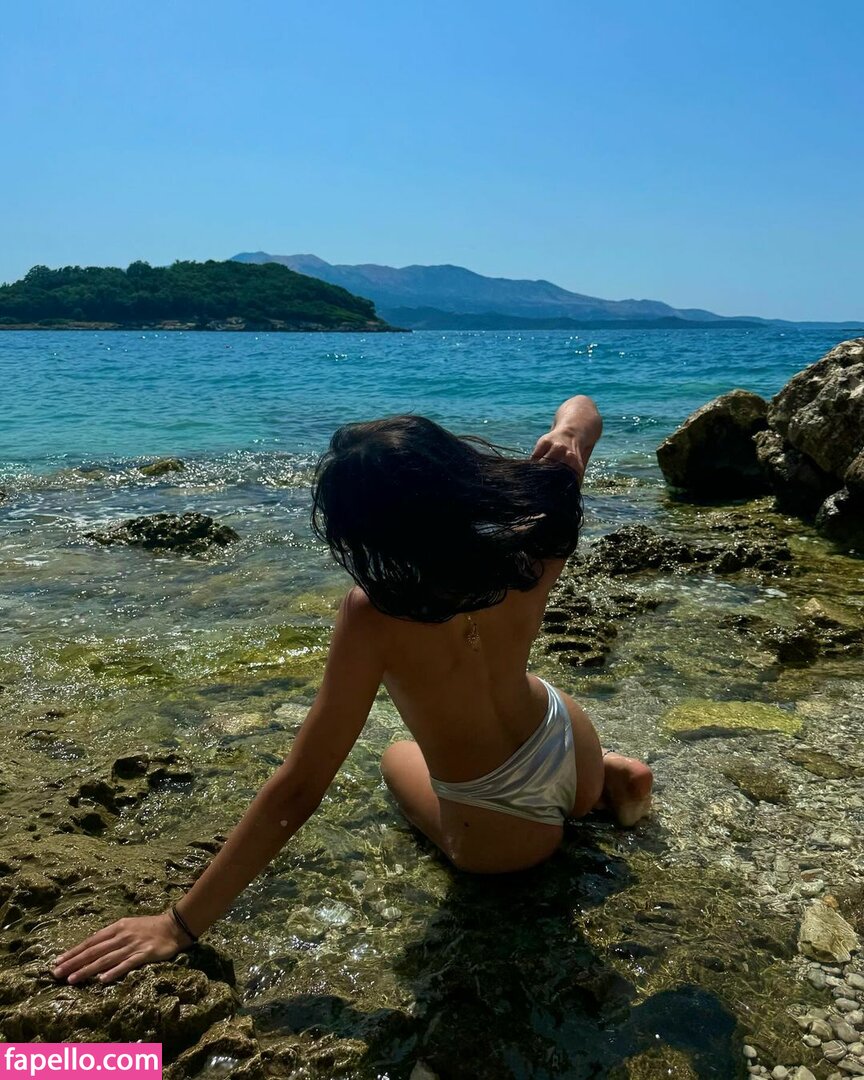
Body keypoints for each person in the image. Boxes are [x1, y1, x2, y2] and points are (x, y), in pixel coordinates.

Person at [52, 395, 652, 986]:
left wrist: (180, 924)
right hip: (566, 738)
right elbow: (583, 409)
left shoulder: (375, 615)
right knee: (480, 736)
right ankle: (605, 780)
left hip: (507, 832)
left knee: (394, 758)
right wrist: (567, 437)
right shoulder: (530, 542)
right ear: (461, 475)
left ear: (365, 535)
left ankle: (583, 795)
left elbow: (300, 786)